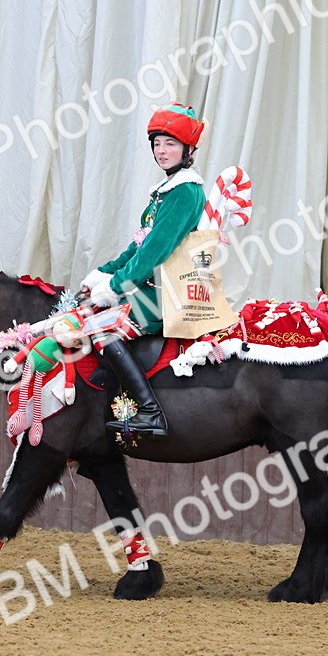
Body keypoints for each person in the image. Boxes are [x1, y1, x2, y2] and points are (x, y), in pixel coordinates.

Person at [80, 103, 207, 436]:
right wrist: (104, 274)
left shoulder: (185, 192)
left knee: (102, 330)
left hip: (173, 293)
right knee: (90, 314)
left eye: (171, 144)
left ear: (188, 149)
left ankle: (150, 412)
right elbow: (137, 247)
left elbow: (154, 253)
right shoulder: (166, 192)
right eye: (157, 143)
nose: (161, 151)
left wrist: (115, 288)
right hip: (154, 287)